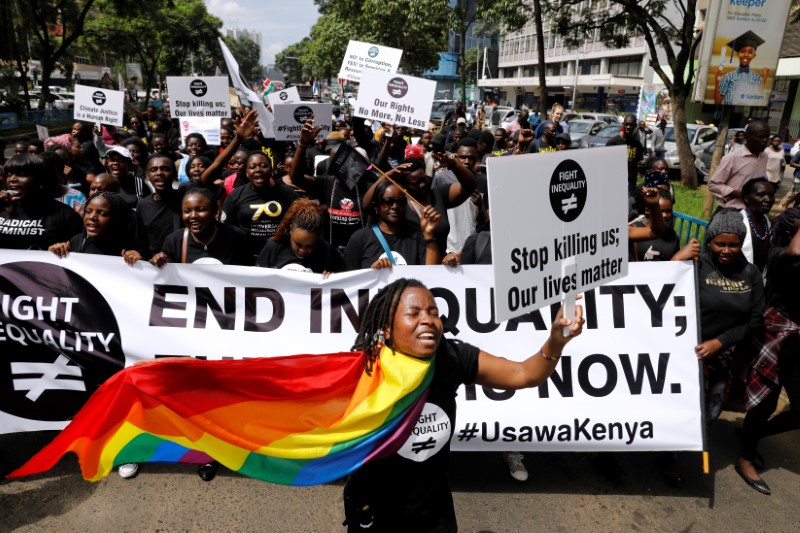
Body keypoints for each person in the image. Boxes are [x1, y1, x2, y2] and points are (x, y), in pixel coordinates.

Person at [342, 278, 584, 531]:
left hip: (433, 515)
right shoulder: (364, 372)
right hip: (375, 514)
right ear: (387, 328)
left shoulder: (451, 357)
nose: (428, 320)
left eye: (433, 313)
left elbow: (525, 374)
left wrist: (557, 340)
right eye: (413, 313)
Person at [736, 206, 800, 495]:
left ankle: (753, 433)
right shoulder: (778, 257)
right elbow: (795, 252)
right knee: (766, 401)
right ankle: (746, 458)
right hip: (778, 335)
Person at [695, 209, 764, 425]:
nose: (726, 250)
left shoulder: (751, 273)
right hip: (690, 352)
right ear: (709, 242)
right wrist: (678, 259)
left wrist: (720, 342)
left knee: (709, 412)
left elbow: (755, 320)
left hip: (724, 357)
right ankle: (669, 451)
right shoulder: (696, 266)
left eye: (733, 245)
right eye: (720, 244)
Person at [345, 180, 442, 270]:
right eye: (388, 201)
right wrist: (372, 273)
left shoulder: (417, 234)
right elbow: (348, 282)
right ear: (376, 206)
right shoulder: (360, 238)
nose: (395, 206)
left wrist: (428, 234)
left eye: (400, 201)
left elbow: (432, 273)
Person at [222, 152, 299, 258]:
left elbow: (299, 223)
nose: (258, 170)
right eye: (253, 167)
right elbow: (226, 229)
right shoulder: (235, 196)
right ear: (247, 173)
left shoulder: (286, 192)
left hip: (280, 255)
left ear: (271, 169)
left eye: (263, 166)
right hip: (246, 256)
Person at [151, 187, 252, 267]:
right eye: (187, 211)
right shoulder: (174, 241)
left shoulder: (236, 236)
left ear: (215, 212)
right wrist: (160, 262)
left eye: (201, 209)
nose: (193, 216)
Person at [0, 154, 83, 250]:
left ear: (40, 179)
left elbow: (80, 250)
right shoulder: (3, 210)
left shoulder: (65, 215)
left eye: (22, 174)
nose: (12, 179)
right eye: (9, 174)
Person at [256, 198, 343, 275]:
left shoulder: (328, 253)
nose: (302, 250)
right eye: (298, 244)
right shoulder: (273, 248)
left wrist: (333, 278)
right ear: (290, 230)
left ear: (317, 237)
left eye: (309, 246)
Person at [48, 191, 139, 263]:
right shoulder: (76, 242)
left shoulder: (128, 247)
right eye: (88, 211)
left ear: (117, 218)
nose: (92, 217)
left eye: (102, 213)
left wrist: (137, 262)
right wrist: (54, 253)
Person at [709, 120, 769, 210]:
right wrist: (741, 194)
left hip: (755, 212)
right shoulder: (732, 158)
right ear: (748, 137)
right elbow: (713, 185)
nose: (765, 140)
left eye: (767, 137)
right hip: (732, 211)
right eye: (760, 137)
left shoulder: (764, 156)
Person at [715, 31, 768, 106]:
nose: (746, 55)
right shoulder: (728, 76)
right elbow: (718, 101)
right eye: (742, 51)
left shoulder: (756, 78)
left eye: (750, 52)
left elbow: (757, 98)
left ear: (754, 55)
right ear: (738, 54)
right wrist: (717, 82)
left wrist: (764, 78)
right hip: (726, 109)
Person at [739, 178, 775, 272]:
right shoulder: (736, 223)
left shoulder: (770, 223)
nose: (768, 199)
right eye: (761, 195)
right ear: (746, 198)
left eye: (771, 195)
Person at [606, 114, 645, 192]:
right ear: (623, 124)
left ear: (635, 126)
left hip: (630, 184)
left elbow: (636, 164)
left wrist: (636, 180)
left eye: (631, 125)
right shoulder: (612, 143)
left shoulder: (637, 145)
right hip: (615, 182)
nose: (628, 127)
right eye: (626, 124)